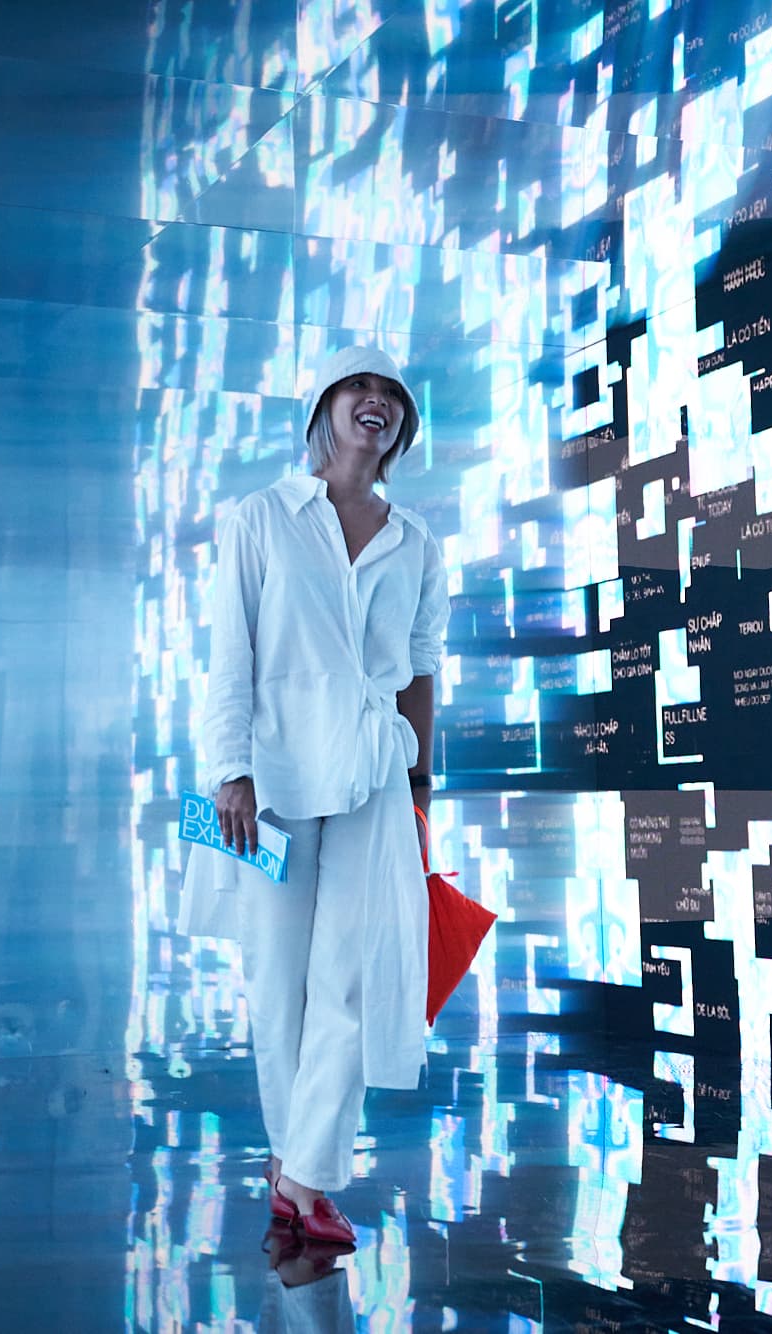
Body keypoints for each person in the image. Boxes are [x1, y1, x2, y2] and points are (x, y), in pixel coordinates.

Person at [179, 346, 450, 1249]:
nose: (376, 402)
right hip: (276, 778)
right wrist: (230, 770)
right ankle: (297, 1163)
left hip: (374, 773)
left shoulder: (416, 542)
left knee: (352, 979)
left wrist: (420, 793)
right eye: (359, 388)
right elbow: (230, 653)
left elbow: (419, 669)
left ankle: (304, 1176)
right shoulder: (262, 517)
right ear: (326, 406)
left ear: (401, 427)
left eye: (392, 396)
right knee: (278, 982)